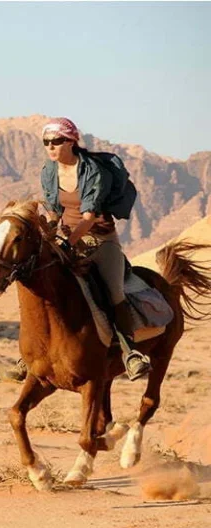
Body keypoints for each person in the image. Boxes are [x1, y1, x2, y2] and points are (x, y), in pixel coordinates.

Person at [39, 117, 151, 380]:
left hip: (100, 239)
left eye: (56, 141)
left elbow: (89, 218)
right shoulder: (49, 170)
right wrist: (49, 233)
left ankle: (130, 352)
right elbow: (56, 212)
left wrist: (66, 242)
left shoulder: (92, 171)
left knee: (113, 292)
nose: (50, 147)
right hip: (67, 238)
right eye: (46, 142)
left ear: (71, 142)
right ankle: (34, 353)